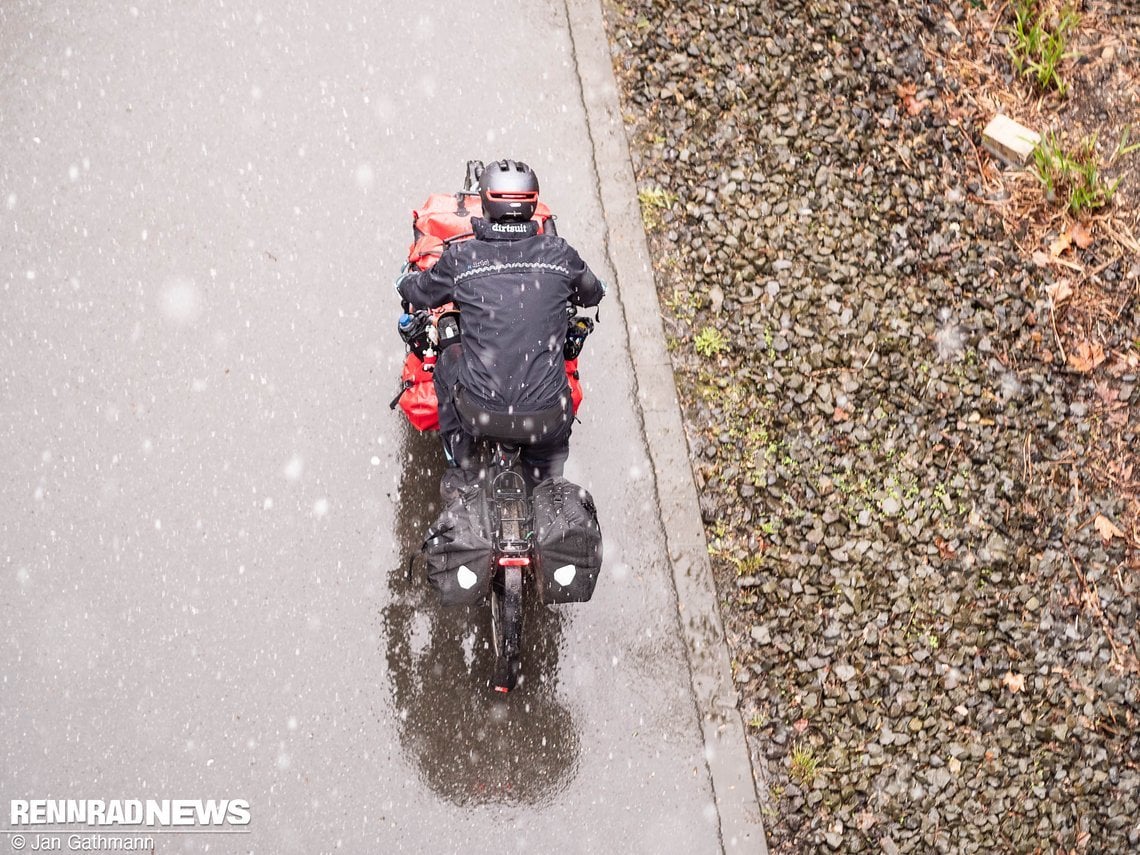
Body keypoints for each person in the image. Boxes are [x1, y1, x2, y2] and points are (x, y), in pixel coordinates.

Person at [396, 159, 606, 485]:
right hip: (546, 418)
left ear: (485, 203)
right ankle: (545, 484)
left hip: (479, 411)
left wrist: (403, 283)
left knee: (448, 354)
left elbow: (420, 293)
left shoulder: (462, 260)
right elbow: (592, 293)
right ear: (533, 204)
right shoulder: (560, 256)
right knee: (548, 485)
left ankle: (461, 464)